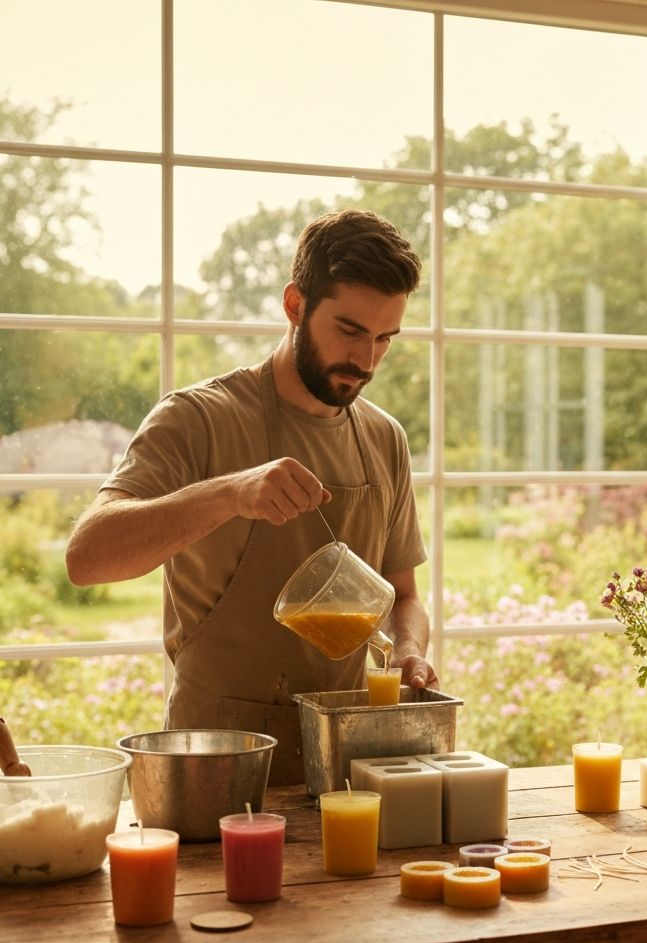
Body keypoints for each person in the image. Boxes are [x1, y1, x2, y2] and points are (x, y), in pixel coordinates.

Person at [66, 210, 437, 785]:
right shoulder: (198, 418)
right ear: (295, 305)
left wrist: (410, 649)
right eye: (349, 330)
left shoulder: (385, 439)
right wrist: (231, 493)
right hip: (216, 766)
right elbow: (86, 557)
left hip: (347, 770)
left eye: (384, 339)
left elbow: (404, 594)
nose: (365, 362)